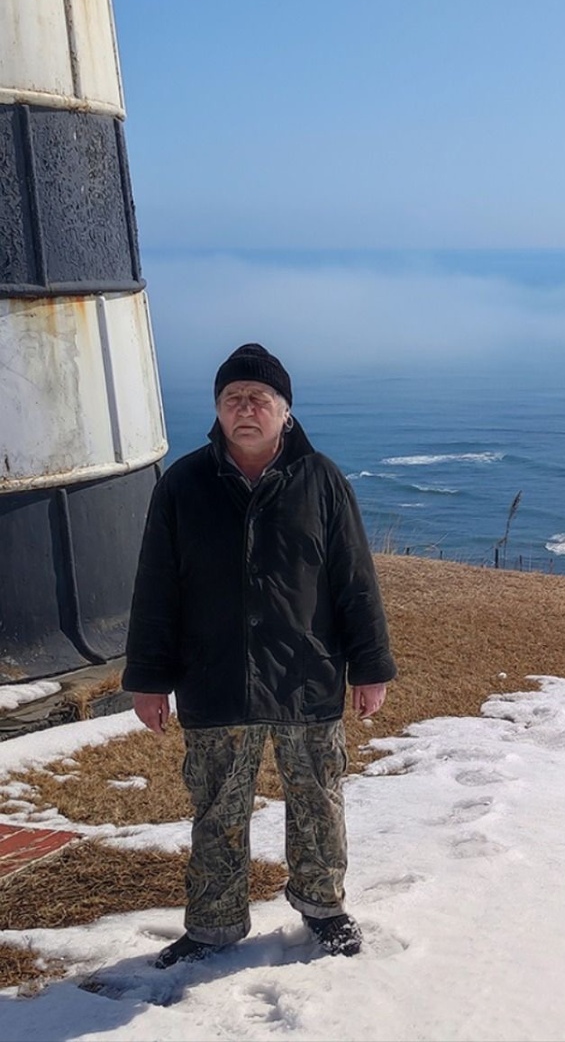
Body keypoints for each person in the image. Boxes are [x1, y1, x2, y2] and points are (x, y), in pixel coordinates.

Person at [122, 343, 396, 966]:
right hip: (214, 677)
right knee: (216, 807)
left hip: (307, 674)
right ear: (218, 410)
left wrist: (371, 667)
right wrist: (148, 679)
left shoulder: (322, 480)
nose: (245, 409)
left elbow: (356, 580)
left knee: (317, 800)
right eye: (232, 398)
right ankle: (212, 926)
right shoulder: (182, 484)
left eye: (258, 398)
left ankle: (324, 908)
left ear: (285, 410)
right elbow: (155, 588)